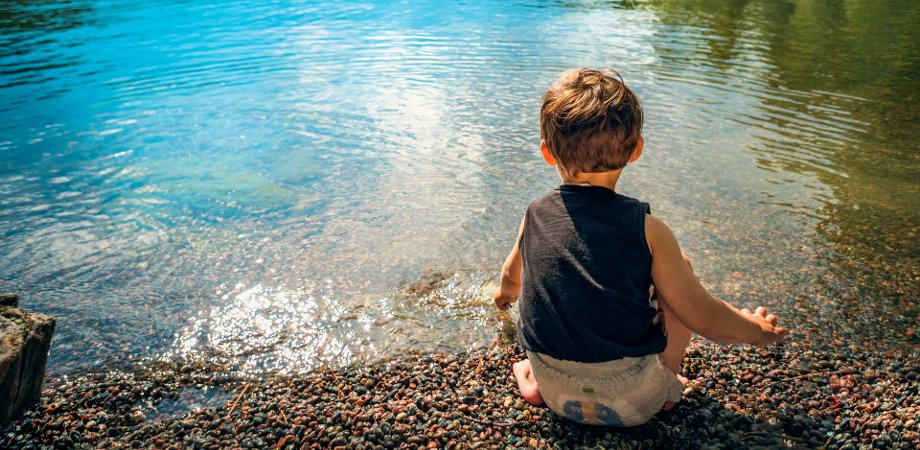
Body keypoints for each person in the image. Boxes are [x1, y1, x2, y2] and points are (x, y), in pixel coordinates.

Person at [492, 68, 787, 427]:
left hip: (556, 394)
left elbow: (511, 277)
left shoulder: (534, 215)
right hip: (634, 402)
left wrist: (502, 298)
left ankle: (532, 380)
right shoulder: (648, 230)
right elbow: (705, 317)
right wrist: (757, 330)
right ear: (636, 150)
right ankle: (668, 384)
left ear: (547, 154)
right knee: (678, 270)